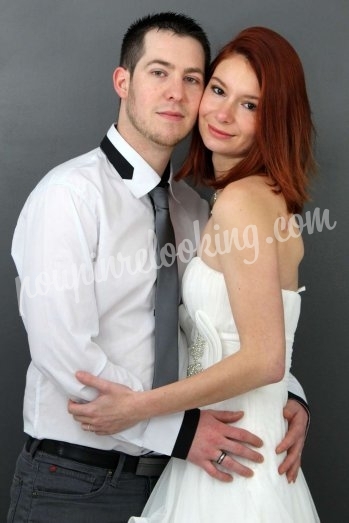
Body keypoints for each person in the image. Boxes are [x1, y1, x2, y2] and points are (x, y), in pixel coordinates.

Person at [8, 12, 309, 523]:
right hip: (79, 481)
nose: (176, 92)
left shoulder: (193, 210)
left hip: (181, 476)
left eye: (193, 79)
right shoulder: (69, 197)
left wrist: (291, 398)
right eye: (158, 72)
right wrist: (181, 433)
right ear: (123, 81)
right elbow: (69, 360)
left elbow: (222, 328)